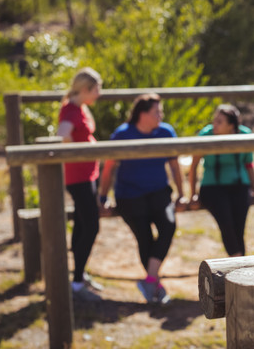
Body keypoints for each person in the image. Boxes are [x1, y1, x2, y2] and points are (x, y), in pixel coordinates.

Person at [99, 93, 186, 304]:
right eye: (156, 111)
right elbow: (109, 168)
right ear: (142, 114)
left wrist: (182, 193)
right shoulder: (122, 134)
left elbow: (174, 166)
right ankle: (154, 283)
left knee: (168, 225)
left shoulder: (166, 132)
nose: (161, 115)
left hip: (159, 192)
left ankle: (150, 280)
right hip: (129, 195)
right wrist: (102, 197)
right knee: (144, 237)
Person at [188, 104, 254, 257]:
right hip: (212, 189)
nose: (214, 125)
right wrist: (192, 195)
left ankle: (239, 265)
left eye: (219, 122)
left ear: (231, 126)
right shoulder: (206, 135)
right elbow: (194, 165)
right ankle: (239, 263)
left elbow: (249, 164)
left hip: (240, 186)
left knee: (238, 228)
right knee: (227, 225)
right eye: (214, 120)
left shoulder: (245, 135)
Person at [57, 67, 104, 302]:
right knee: (91, 226)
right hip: (78, 177)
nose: (99, 93)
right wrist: (77, 150)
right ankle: (76, 283)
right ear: (85, 89)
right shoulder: (70, 110)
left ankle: (78, 274)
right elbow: (62, 134)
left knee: (81, 225)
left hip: (88, 174)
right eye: (97, 89)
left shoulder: (80, 108)